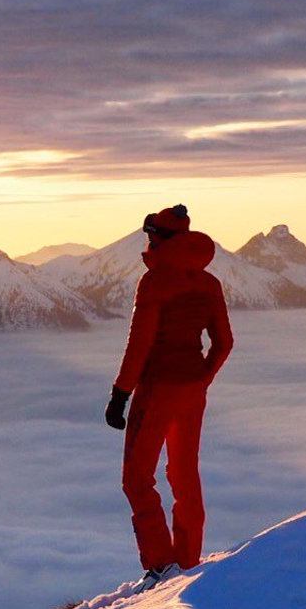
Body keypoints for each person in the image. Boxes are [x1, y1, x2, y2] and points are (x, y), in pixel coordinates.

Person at [105, 204, 233, 580]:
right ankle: (188, 559)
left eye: (151, 235)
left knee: (137, 476)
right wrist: (202, 377)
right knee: (184, 473)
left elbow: (139, 344)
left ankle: (161, 565)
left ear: (161, 238)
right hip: (193, 389)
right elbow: (224, 343)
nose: (148, 242)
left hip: (158, 387)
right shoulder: (210, 283)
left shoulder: (155, 281)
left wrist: (120, 394)